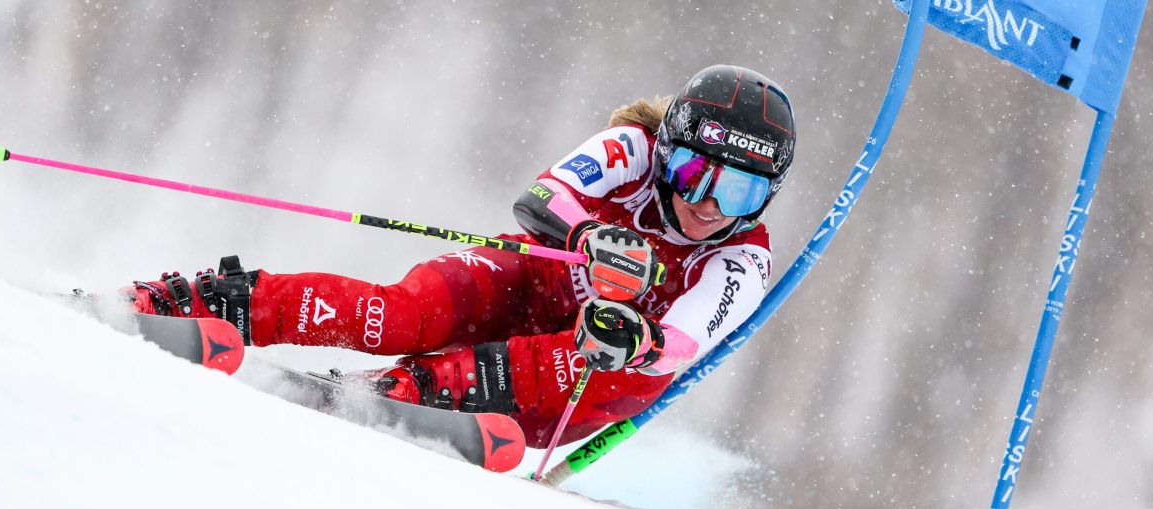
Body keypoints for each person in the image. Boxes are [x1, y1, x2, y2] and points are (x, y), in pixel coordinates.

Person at [125, 65, 797, 448]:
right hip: (533, 277)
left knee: (597, 367)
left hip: (583, 375)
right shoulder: (633, 150)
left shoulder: (743, 259)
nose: (708, 202)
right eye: (691, 174)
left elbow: (685, 341)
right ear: (669, 150)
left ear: (765, 196)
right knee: (403, 316)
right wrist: (589, 240)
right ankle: (213, 300)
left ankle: (410, 394)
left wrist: (637, 342)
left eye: (737, 189)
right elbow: (541, 199)